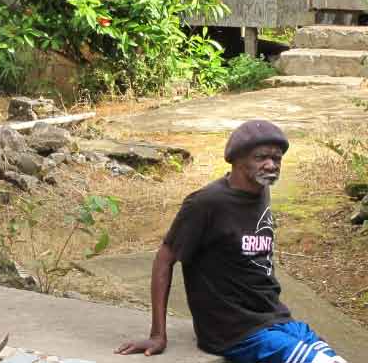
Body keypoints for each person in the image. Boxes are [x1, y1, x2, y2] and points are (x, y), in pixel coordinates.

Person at [115, 120, 348, 363]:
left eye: (277, 158)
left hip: (274, 317)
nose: (271, 165)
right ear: (236, 160)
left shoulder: (261, 190)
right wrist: (157, 335)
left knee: (333, 358)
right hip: (234, 330)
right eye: (261, 157)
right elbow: (164, 259)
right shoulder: (206, 204)